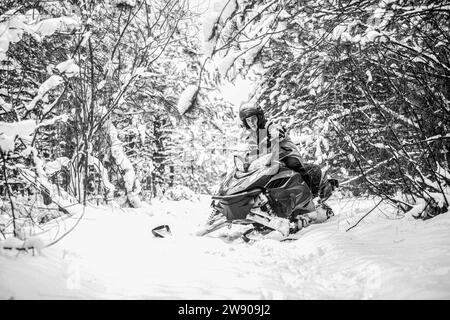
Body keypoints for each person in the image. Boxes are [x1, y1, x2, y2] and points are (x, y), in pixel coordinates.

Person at [238, 104, 337, 203]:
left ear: (259, 117)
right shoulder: (252, 136)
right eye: (248, 120)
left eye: (253, 119)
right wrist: (246, 161)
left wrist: (276, 134)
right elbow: (253, 152)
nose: (251, 123)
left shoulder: (269, 125)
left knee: (293, 164)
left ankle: (313, 195)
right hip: (270, 161)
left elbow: (277, 129)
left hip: (286, 154)